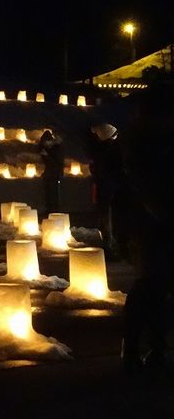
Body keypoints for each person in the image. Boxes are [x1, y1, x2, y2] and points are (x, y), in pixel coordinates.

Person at [118, 88, 174, 372]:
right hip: (153, 226)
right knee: (151, 287)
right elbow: (138, 189)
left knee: (154, 288)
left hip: (153, 224)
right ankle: (141, 348)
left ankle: (152, 347)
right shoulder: (142, 146)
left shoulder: (145, 142)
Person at [87, 123, 124, 256]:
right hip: (109, 186)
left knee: (107, 214)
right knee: (107, 214)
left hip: (108, 186)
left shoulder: (106, 149)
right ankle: (109, 241)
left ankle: (109, 242)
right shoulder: (112, 148)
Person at [38, 129, 64, 213]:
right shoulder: (46, 148)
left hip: (55, 174)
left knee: (54, 193)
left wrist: (47, 156)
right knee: (48, 193)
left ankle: (55, 210)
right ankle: (49, 209)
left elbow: (57, 163)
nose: (46, 144)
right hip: (48, 174)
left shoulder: (56, 148)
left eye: (47, 142)